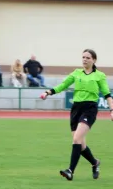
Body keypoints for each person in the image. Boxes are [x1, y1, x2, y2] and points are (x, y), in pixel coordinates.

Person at [40, 49, 113, 181]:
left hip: (89, 109)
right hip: (76, 109)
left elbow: (107, 94)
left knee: (76, 140)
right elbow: (63, 85)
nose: (85, 59)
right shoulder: (76, 73)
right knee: (81, 144)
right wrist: (48, 92)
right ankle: (95, 162)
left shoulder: (99, 75)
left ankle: (70, 171)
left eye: (88, 57)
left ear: (94, 60)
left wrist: (112, 110)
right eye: (83, 57)